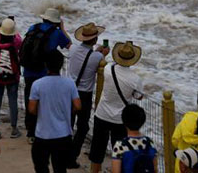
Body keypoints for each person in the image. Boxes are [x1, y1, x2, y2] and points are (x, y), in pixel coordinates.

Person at [89, 41, 144, 173]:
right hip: (120, 120)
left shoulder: (108, 69)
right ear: (132, 60)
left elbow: (102, 64)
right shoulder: (135, 79)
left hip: (101, 114)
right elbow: (139, 96)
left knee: (97, 151)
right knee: (119, 154)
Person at [22, 7, 71, 142]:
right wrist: (62, 29)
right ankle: (42, 131)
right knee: (44, 103)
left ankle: (30, 132)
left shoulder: (33, 27)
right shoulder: (56, 33)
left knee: (30, 100)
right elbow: (69, 44)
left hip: (27, 71)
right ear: (56, 22)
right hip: (44, 73)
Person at [28, 50, 81, 173]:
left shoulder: (37, 84)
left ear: (46, 65)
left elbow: (31, 109)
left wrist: (42, 112)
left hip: (43, 134)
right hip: (63, 134)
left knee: (41, 166)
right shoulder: (69, 83)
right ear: (61, 65)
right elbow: (78, 106)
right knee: (60, 168)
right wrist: (68, 111)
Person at [67, 22, 109, 167]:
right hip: (84, 95)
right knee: (82, 127)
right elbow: (102, 63)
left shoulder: (72, 49)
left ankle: (63, 154)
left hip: (69, 92)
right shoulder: (97, 57)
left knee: (68, 124)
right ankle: (72, 157)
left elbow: (76, 49)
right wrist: (102, 54)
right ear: (95, 40)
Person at [0, 17, 23, 140]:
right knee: (13, 102)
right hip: (12, 77)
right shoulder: (16, 42)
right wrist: (13, 27)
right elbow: (19, 39)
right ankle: (14, 129)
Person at [111, 104, 157, 173]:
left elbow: (116, 171)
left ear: (124, 121)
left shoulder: (120, 146)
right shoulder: (150, 143)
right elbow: (155, 169)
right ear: (142, 121)